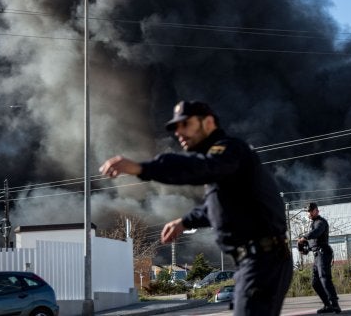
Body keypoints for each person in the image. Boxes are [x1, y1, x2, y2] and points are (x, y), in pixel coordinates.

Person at [100, 100, 293, 315]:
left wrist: (141, 168)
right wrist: (184, 222)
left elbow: (199, 168)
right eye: (175, 128)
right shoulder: (221, 164)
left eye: (185, 124)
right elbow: (217, 207)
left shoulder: (229, 150)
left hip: (263, 260)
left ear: (208, 122)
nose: (178, 133)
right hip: (257, 261)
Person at [298, 202, 341, 314]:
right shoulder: (312, 224)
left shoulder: (320, 223)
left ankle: (335, 305)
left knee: (324, 278)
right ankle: (327, 305)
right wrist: (305, 250)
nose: (309, 213)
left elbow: (316, 233)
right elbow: (313, 242)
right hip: (317, 255)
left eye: (311, 211)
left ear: (316, 211)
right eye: (308, 211)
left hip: (323, 253)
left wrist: (304, 237)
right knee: (315, 282)